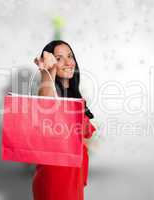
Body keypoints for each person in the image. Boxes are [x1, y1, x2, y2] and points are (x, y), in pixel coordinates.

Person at [32, 40, 96, 200]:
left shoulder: (74, 96)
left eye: (70, 56)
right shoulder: (49, 91)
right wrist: (47, 71)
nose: (68, 62)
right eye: (59, 58)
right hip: (55, 176)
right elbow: (46, 105)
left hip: (74, 176)